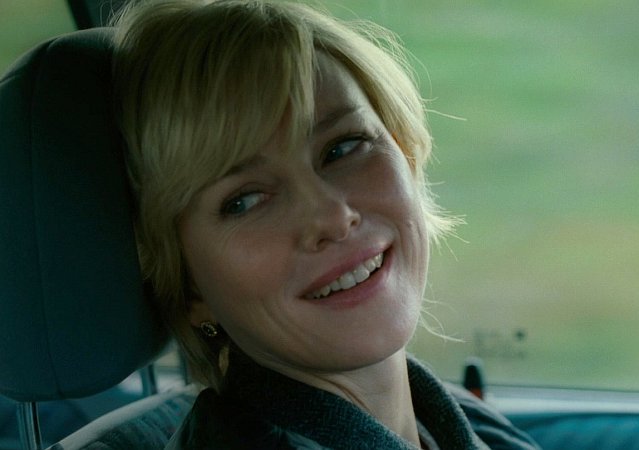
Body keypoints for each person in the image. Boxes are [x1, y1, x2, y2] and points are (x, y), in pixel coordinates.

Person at [112, 0, 541, 448]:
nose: (333, 217)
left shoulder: (461, 422)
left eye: (343, 148)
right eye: (245, 201)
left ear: (407, 154)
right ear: (189, 288)